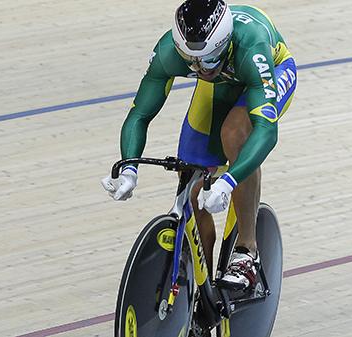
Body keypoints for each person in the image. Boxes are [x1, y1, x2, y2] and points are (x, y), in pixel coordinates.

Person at [102, 0, 296, 291]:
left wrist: (228, 182)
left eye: (206, 60)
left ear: (224, 43)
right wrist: (129, 167)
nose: (198, 69)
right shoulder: (172, 52)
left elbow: (267, 132)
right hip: (222, 81)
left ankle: (247, 251)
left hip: (270, 73)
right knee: (191, 179)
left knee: (234, 134)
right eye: (191, 61)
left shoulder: (250, 46)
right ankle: (198, 292)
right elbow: (140, 114)